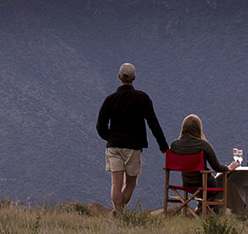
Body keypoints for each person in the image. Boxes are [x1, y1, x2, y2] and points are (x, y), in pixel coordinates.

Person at [95, 62, 167, 213]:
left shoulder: (110, 99)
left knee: (116, 182)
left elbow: (100, 126)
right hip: (133, 146)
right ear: (134, 77)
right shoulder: (142, 98)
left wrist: (111, 137)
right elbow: (153, 123)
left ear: (118, 77)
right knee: (131, 183)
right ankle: (119, 214)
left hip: (113, 146)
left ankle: (118, 214)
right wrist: (163, 145)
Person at [166, 114, 227, 213]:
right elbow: (217, 167)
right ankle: (213, 214)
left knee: (206, 187)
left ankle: (200, 208)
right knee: (215, 183)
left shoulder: (175, 145)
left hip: (187, 184)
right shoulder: (203, 145)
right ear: (199, 129)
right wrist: (229, 168)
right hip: (205, 184)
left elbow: (169, 153)